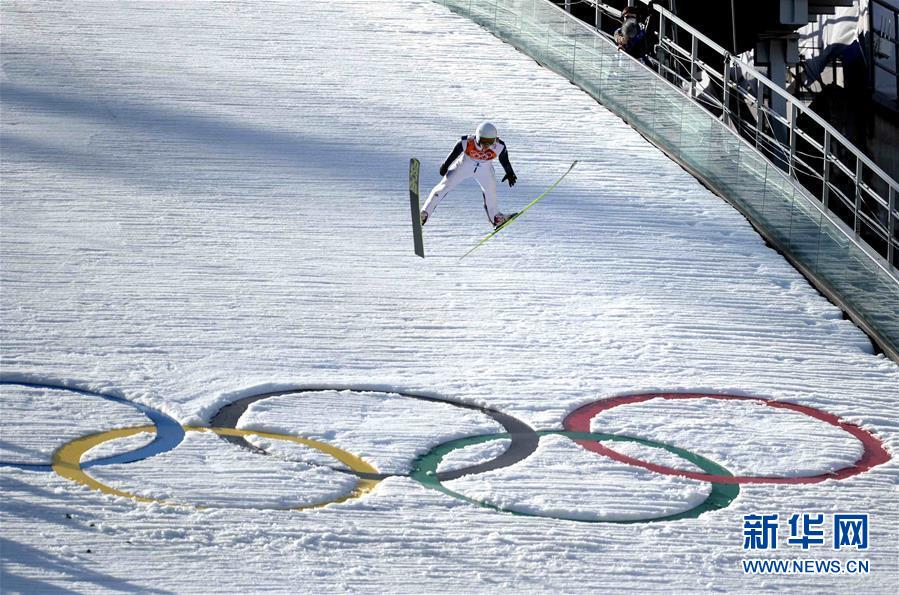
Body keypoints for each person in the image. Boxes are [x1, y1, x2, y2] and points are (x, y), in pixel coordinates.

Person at [421, 122, 517, 229]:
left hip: (485, 171)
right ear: (477, 137)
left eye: (490, 142)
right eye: (483, 141)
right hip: (463, 166)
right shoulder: (467, 142)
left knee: (490, 192)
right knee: (444, 186)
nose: (486, 145)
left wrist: (509, 172)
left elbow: (504, 160)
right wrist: (445, 165)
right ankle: (424, 213)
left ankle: (496, 218)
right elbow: (454, 153)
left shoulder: (499, 146)